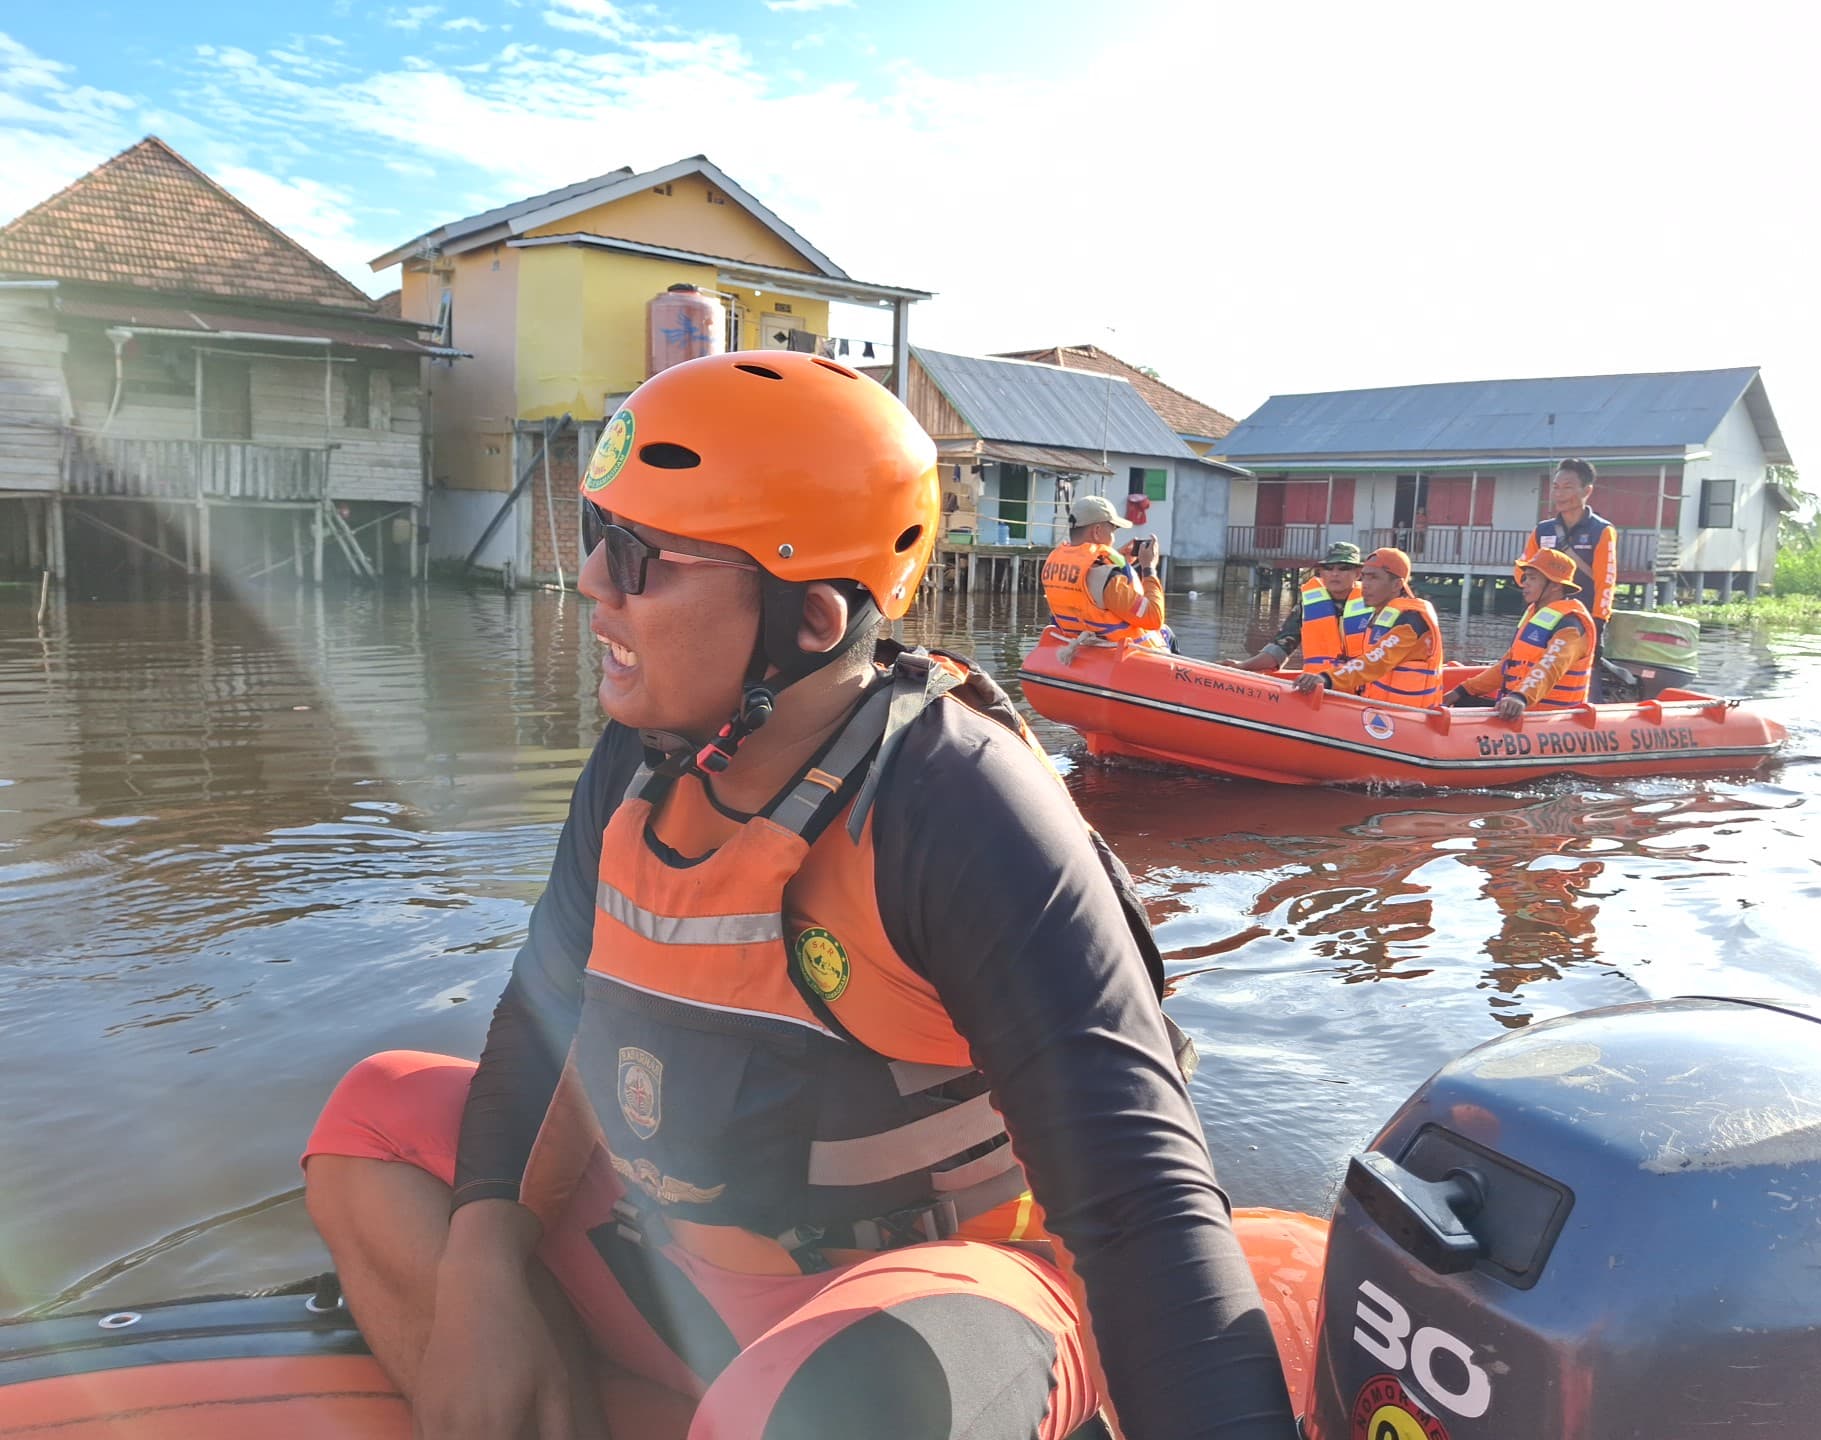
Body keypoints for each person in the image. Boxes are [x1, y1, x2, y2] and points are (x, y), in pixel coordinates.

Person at [302, 353, 1292, 1440]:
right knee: (374, 1122)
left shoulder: (956, 805)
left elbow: (1143, 1209)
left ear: (811, 620)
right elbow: (546, 1017)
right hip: (692, 1266)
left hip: (921, 1296)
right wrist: (481, 1270)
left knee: (849, 1403)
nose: (590, 581)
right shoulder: (638, 761)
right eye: (597, 536)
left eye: (637, 557)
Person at [1445, 548, 1596, 718]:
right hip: (1523, 710)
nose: (1525, 583)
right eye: (1525, 577)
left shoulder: (1571, 625)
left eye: (1532, 578)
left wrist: (1520, 697)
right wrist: (1462, 690)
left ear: (1555, 585)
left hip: (1550, 719)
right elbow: (1507, 666)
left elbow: (1551, 666)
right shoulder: (1535, 613)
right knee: (1463, 702)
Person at [1293, 548, 1446, 708]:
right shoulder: (1381, 615)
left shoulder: (1411, 621)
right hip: (1379, 712)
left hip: (1411, 718)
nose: (1365, 585)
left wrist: (1327, 679)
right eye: (1364, 577)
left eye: (1374, 578)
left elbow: (1377, 661)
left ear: (1396, 585)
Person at [1040, 493, 1170, 650]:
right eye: (1113, 531)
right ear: (1097, 531)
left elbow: (1089, 582)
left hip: (1082, 643)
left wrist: (1119, 560)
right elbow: (1154, 618)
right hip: (1123, 654)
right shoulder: (1109, 581)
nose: (1114, 538)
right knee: (1166, 633)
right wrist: (1149, 568)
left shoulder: (1054, 564)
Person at [1522, 457, 1617, 671]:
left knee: (1575, 672)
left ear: (1587, 491)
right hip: (1544, 615)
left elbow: (1606, 581)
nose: (1559, 494)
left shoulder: (1601, 531)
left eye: (1567, 487)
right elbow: (1523, 569)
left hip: (1580, 620)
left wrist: (1598, 623)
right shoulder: (1542, 530)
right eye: (1555, 487)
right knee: (1530, 665)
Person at [1234, 540, 1369, 672]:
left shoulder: (1374, 604)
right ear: (1321, 573)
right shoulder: (1308, 606)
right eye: (1328, 568)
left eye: (1343, 568)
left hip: (1360, 687)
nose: (1335, 573)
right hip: (1317, 685)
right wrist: (1243, 665)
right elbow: (1281, 647)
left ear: (1357, 573)